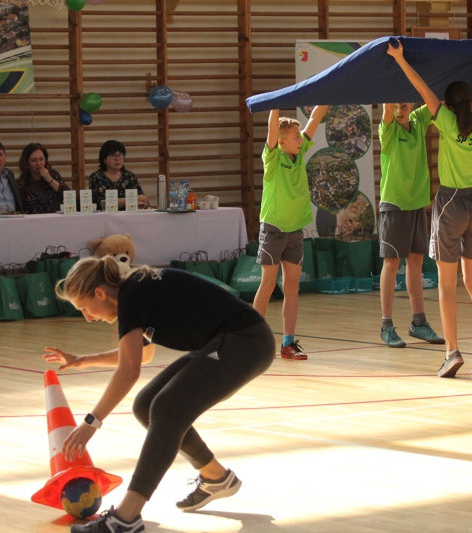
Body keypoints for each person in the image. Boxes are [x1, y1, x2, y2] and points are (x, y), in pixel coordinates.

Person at [43, 256, 274, 532]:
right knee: (146, 404)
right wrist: (84, 360)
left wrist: (92, 422)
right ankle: (216, 477)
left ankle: (126, 517)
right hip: (228, 342)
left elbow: (130, 370)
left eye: (84, 308)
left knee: (167, 407)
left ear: (100, 293)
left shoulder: (133, 294)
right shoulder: (135, 292)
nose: (88, 317)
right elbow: (143, 355)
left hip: (246, 342)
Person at [387, 40, 472, 377]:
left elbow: (423, 89)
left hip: (451, 203)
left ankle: (452, 352)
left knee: (447, 285)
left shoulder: (448, 124)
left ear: (448, 107)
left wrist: (399, 58)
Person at [253, 105, 328, 360]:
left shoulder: (300, 152)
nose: (300, 139)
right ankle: (253, 339)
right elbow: (271, 129)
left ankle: (288, 343)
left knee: (292, 287)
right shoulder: (273, 158)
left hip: (295, 230)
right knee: (267, 284)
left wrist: (326, 96)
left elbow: (315, 118)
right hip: (273, 229)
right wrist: (275, 104)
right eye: (296, 137)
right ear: (281, 141)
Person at [377, 102, 443, 348]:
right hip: (395, 203)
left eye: (403, 105)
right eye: (395, 106)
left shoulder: (418, 120)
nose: (400, 110)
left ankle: (419, 322)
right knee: (391, 263)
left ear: (411, 105)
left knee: (416, 262)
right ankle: (386, 325)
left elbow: (435, 99)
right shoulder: (388, 129)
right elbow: (387, 110)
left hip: (417, 202)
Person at [89, 140, 150, 210]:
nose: (117, 159)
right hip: (105, 216)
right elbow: (103, 204)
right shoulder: (96, 177)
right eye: (113, 155)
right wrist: (133, 199)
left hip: (129, 215)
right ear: (104, 159)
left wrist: (138, 201)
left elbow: (142, 199)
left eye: (120, 155)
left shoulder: (129, 176)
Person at [17, 142, 69, 214]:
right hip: (34, 219)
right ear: (27, 163)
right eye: (33, 160)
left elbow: (69, 197)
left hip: (56, 218)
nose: (38, 163)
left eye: (41, 159)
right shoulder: (22, 183)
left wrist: (50, 179)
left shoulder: (53, 175)